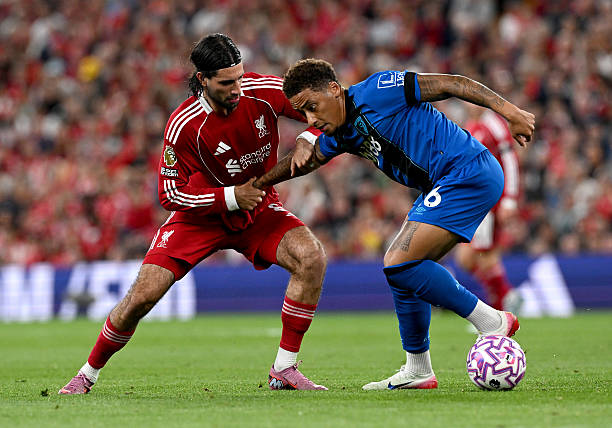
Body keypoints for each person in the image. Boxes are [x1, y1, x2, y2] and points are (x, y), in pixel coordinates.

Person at [59, 34, 328, 394]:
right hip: (200, 218)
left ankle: (284, 369)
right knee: (142, 297)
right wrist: (231, 196)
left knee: (311, 257)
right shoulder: (184, 124)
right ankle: (87, 374)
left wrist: (308, 138)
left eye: (240, 76)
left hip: (258, 209)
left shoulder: (262, 90)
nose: (238, 88)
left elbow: (324, 110)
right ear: (203, 79)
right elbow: (169, 193)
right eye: (227, 82)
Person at [254, 59, 535, 390]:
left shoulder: (378, 89)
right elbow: (303, 161)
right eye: (303, 113)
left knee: (398, 262)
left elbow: (453, 83)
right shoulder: (341, 133)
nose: (311, 119)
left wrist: (510, 112)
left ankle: (492, 321)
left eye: (312, 107)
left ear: (333, 89)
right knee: (402, 272)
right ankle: (418, 369)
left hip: (467, 171)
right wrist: (258, 184)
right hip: (443, 184)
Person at [455, 105, 522, 313]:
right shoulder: (471, 125)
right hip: (474, 202)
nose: (469, 104)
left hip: (490, 200)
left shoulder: (494, 124)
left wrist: (509, 199)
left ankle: (499, 312)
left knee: (485, 255)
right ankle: (507, 295)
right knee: (465, 258)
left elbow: (510, 161)